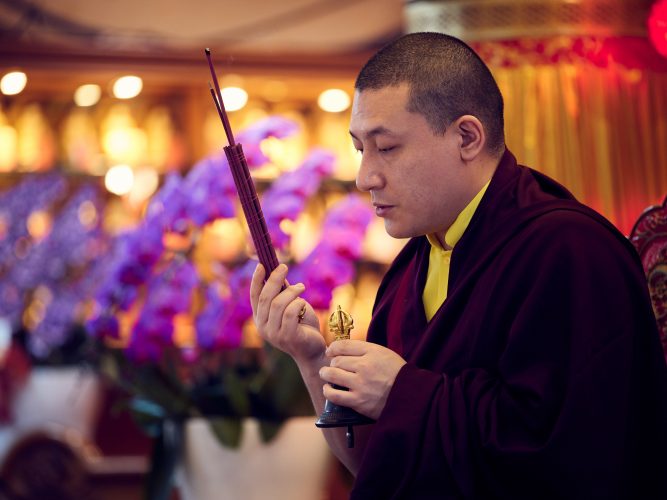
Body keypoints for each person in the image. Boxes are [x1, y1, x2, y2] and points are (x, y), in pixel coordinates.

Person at [250, 32, 667, 499]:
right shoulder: (413, 266)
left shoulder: (568, 249)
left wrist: (403, 392)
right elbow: (378, 466)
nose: (367, 176)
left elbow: (572, 455)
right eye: (360, 149)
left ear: (467, 137)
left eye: (385, 147)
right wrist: (311, 358)